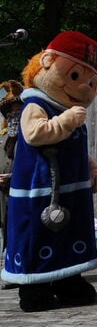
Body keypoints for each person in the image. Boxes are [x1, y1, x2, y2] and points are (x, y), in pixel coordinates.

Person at [1, 31, 97, 312]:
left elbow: (75, 148)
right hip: (39, 191)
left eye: (92, 83)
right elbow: (35, 134)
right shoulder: (35, 105)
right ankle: (34, 289)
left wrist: (89, 168)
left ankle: (68, 281)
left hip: (69, 190)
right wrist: (67, 120)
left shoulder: (68, 109)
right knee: (38, 235)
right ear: (46, 63)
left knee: (69, 235)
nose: (85, 87)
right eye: (75, 77)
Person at [0, 80, 23, 254]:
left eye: (18, 110)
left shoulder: (31, 138)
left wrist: (13, 177)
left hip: (22, 191)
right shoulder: (2, 137)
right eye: (11, 110)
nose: (14, 113)